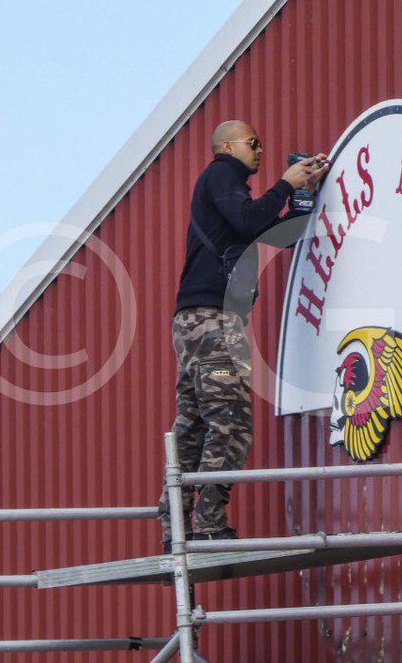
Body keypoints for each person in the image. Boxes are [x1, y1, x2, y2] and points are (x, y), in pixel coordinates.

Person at [159, 120, 328, 549]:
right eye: (253, 142)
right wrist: (286, 185)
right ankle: (210, 525)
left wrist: (305, 195)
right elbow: (249, 216)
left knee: (194, 423)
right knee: (231, 422)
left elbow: (270, 231)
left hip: (200, 320)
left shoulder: (229, 197)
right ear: (228, 146)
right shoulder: (222, 174)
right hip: (212, 319)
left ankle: (174, 524)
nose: (260, 150)